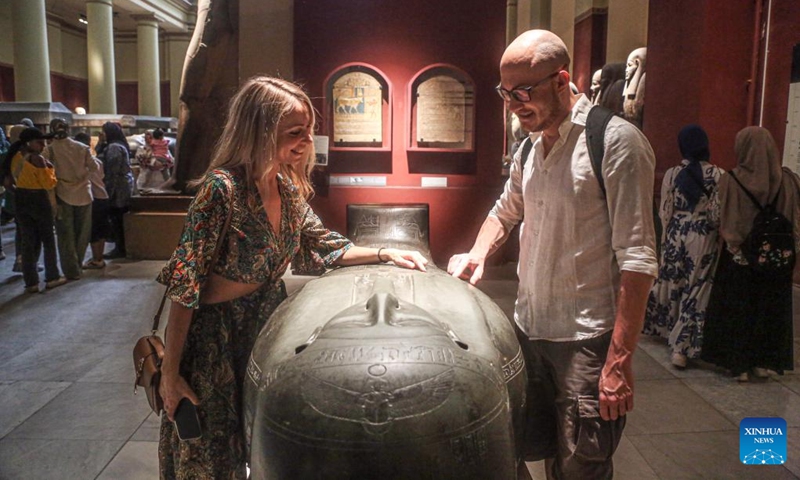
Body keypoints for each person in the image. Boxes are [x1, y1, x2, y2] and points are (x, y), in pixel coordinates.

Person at [156, 76, 428, 479]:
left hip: (264, 329)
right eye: (294, 132)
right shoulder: (221, 190)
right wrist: (170, 374)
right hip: (214, 341)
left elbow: (327, 245)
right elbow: (185, 287)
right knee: (209, 458)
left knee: (258, 446)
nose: (305, 141)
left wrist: (387, 251)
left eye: (308, 131)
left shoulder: (285, 187)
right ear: (260, 129)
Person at [447, 30, 657, 479]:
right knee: (526, 447)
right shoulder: (529, 146)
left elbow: (638, 260)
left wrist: (618, 361)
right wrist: (478, 252)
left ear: (562, 80)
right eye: (506, 94)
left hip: (586, 341)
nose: (514, 104)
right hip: (528, 332)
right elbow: (504, 212)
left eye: (524, 92)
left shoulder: (615, 143)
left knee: (582, 463)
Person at [702, 127, 799, 382]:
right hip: (776, 259)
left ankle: (739, 365)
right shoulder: (789, 180)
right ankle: (763, 363)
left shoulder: (730, 180)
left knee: (737, 310)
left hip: (739, 255)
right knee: (769, 309)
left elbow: (713, 216)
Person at [643, 125, 722, 369]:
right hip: (703, 235)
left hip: (676, 233)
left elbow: (664, 211)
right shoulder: (719, 175)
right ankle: (683, 346)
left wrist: (668, 236)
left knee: (673, 283)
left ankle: (668, 330)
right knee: (696, 288)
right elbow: (716, 213)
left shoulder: (672, 173)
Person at [8, 128, 66, 292]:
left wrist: (21, 191)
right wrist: (50, 168)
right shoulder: (37, 159)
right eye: (39, 142)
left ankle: (31, 282)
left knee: (28, 242)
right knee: (48, 240)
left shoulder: (14, 157)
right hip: (38, 199)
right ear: (28, 143)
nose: (43, 146)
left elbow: (7, 183)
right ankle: (52, 277)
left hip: (20, 198)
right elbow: (49, 184)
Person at [44, 118, 98, 280]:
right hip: (84, 193)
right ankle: (78, 265)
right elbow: (94, 167)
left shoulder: (50, 150)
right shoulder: (82, 148)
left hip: (62, 194)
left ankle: (71, 270)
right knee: (82, 234)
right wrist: (84, 177)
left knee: (65, 235)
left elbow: (47, 173)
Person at [98, 122, 134, 259]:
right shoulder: (118, 145)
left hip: (118, 188)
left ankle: (120, 248)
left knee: (117, 219)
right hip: (122, 185)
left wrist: (108, 192)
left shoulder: (114, 147)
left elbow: (112, 172)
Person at [74, 133, 109, 269]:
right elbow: (102, 177)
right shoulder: (97, 161)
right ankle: (99, 258)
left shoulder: (82, 164)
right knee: (101, 229)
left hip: (92, 198)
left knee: (93, 231)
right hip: (103, 196)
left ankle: (95, 259)